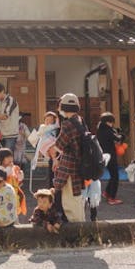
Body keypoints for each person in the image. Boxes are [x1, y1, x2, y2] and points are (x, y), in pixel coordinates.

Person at [48, 93, 84, 223]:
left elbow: (59, 145)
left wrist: (50, 151)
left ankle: (78, 230)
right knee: (77, 199)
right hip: (78, 165)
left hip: (69, 167)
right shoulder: (79, 120)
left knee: (69, 202)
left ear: (64, 107)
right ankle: (82, 227)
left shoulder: (68, 124)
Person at [96, 112, 124, 205]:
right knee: (115, 176)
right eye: (111, 122)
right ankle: (112, 198)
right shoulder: (108, 131)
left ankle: (107, 192)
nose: (112, 124)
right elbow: (118, 139)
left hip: (103, 156)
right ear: (108, 122)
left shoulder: (100, 129)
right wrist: (121, 135)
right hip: (110, 156)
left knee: (113, 175)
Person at [0, 83, 21, 152]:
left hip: (11, 134)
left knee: (7, 155)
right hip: (2, 134)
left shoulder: (10, 100)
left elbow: (5, 116)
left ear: (3, 91)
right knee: (2, 155)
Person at [0, 148, 26, 216]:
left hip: (14, 193)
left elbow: (19, 180)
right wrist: (9, 168)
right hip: (4, 194)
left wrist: (20, 175)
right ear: (1, 159)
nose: (10, 159)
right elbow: (4, 176)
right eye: (7, 157)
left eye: (11, 156)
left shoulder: (15, 168)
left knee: (15, 210)